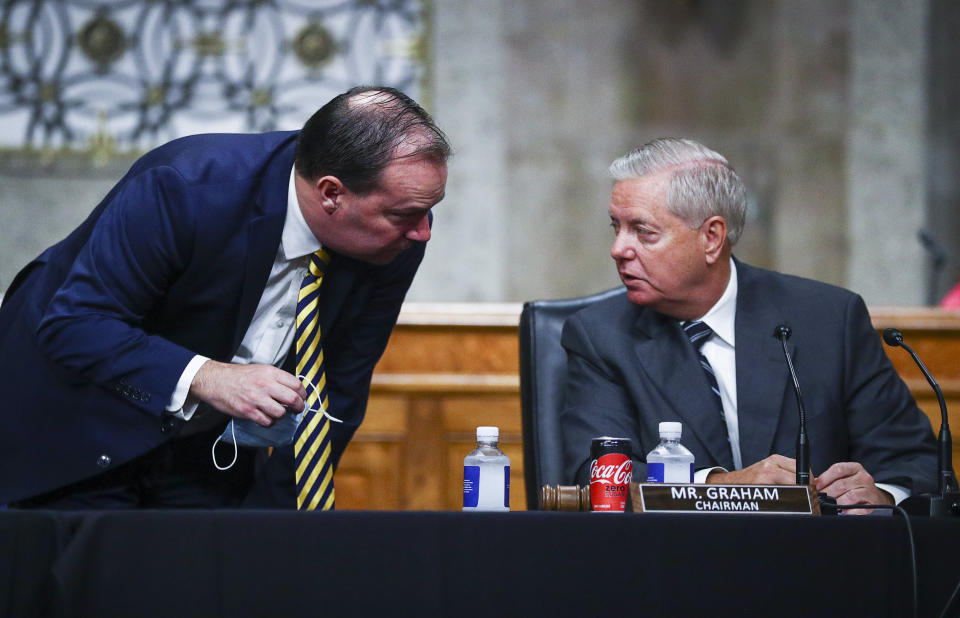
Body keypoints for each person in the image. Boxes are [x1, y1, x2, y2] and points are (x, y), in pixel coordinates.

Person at [0, 86, 450, 509]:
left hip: (206, 453)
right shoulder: (188, 187)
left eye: (428, 210)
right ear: (331, 193)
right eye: (405, 214)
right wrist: (209, 378)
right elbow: (75, 325)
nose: (424, 232)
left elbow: (340, 387)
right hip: (76, 423)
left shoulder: (399, 238)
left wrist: (274, 519)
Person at [560, 138, 938, 512]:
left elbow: (916, 462)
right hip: (672, 560)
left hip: (814, 560)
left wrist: (883, 496)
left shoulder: (828, 320)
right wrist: (723, 486)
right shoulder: (600, 336)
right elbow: (594, 477)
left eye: (643, 232)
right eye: (616, 227)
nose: (619, 249)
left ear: (711, 237)